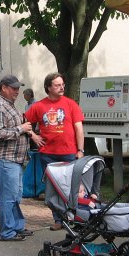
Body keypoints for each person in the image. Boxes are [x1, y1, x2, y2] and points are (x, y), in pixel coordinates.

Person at [25, 72, 85, 231]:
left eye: (62, 84)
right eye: (57, 85)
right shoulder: (38, 106)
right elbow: (24, 122)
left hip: (69, 153)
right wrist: (34, 136)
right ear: (48, 88)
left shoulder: (71, 104)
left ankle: (74, 217)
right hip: (48, 154)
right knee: (53, 188)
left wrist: (80, 150)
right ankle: (58, 219)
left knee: (71, 186)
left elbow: (79, 128)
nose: (62, 87)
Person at [0, 74, 35, 241]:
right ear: (4, 88)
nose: (17, 91)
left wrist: (27, 131)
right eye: (14, 88)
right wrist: (21, 129)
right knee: (8, 197)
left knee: (15, 195)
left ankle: (17, 227)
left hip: (15, 159)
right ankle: (7, 231)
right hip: (5, 158)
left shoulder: (10, 105)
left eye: (18, 88)